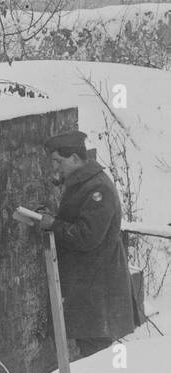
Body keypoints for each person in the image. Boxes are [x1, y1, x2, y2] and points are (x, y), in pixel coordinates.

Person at [35, 130, 136, 357]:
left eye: (57, 161)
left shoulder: (97, 188)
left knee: (95, 353)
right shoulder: (83, 183)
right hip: (90, 287)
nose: (54, 168)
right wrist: (54, 220)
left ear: (74, 158)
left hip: (98, 290)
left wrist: (53, 224)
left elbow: (87, 237)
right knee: (91, 350)